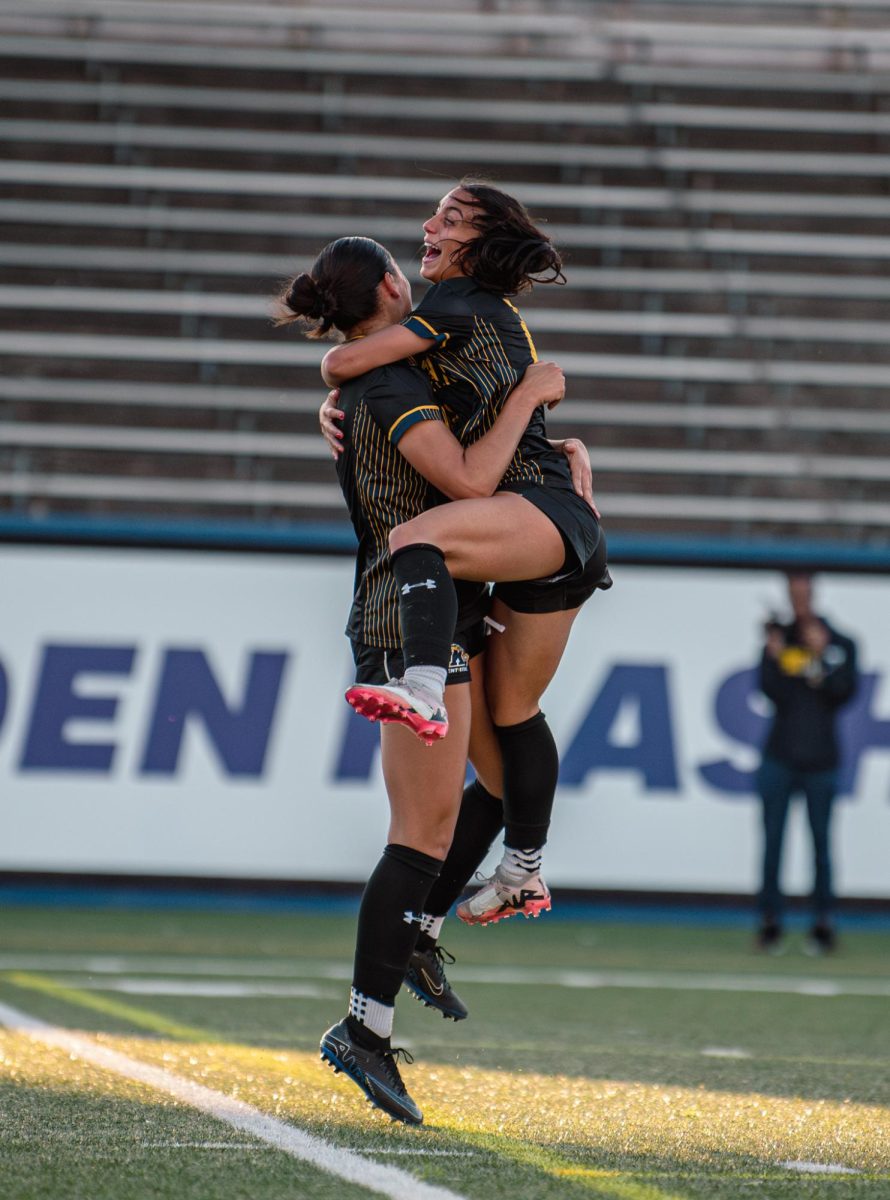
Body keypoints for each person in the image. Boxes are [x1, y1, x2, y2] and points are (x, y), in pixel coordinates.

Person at [275, 234, 582, 1124]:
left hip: (443, 605)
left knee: (486, 788)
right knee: (420, 833)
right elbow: (465, 481)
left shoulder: (382, 379)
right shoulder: (391, 384)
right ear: (390, 288)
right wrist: (530, 393)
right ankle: (362, 1032)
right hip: (400, 615)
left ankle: (421, 936)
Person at [321, 179, 611, 929]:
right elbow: (373, 379)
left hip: (537, 513)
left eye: (449, 218)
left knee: (415, 539)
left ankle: (420, 682)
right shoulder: (470, 314)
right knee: (515, 712)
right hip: (555, 522)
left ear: (481, 242)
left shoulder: (449, 307)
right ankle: (525, 869)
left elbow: (341, 365)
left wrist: (338, 392)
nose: (429, 226)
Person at [755, 571, 858, 955]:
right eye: (792, 593)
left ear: (813, 594)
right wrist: (773, 654)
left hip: (822, 760)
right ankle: (770, 923)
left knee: (821, 845)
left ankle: (823, 924)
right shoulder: (780, 639)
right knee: (773, 844)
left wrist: (820, 657)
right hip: (779, 756)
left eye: (803, 592)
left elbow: (844, 692)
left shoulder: (841, 642)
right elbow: (768, 691)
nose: (798, 600)